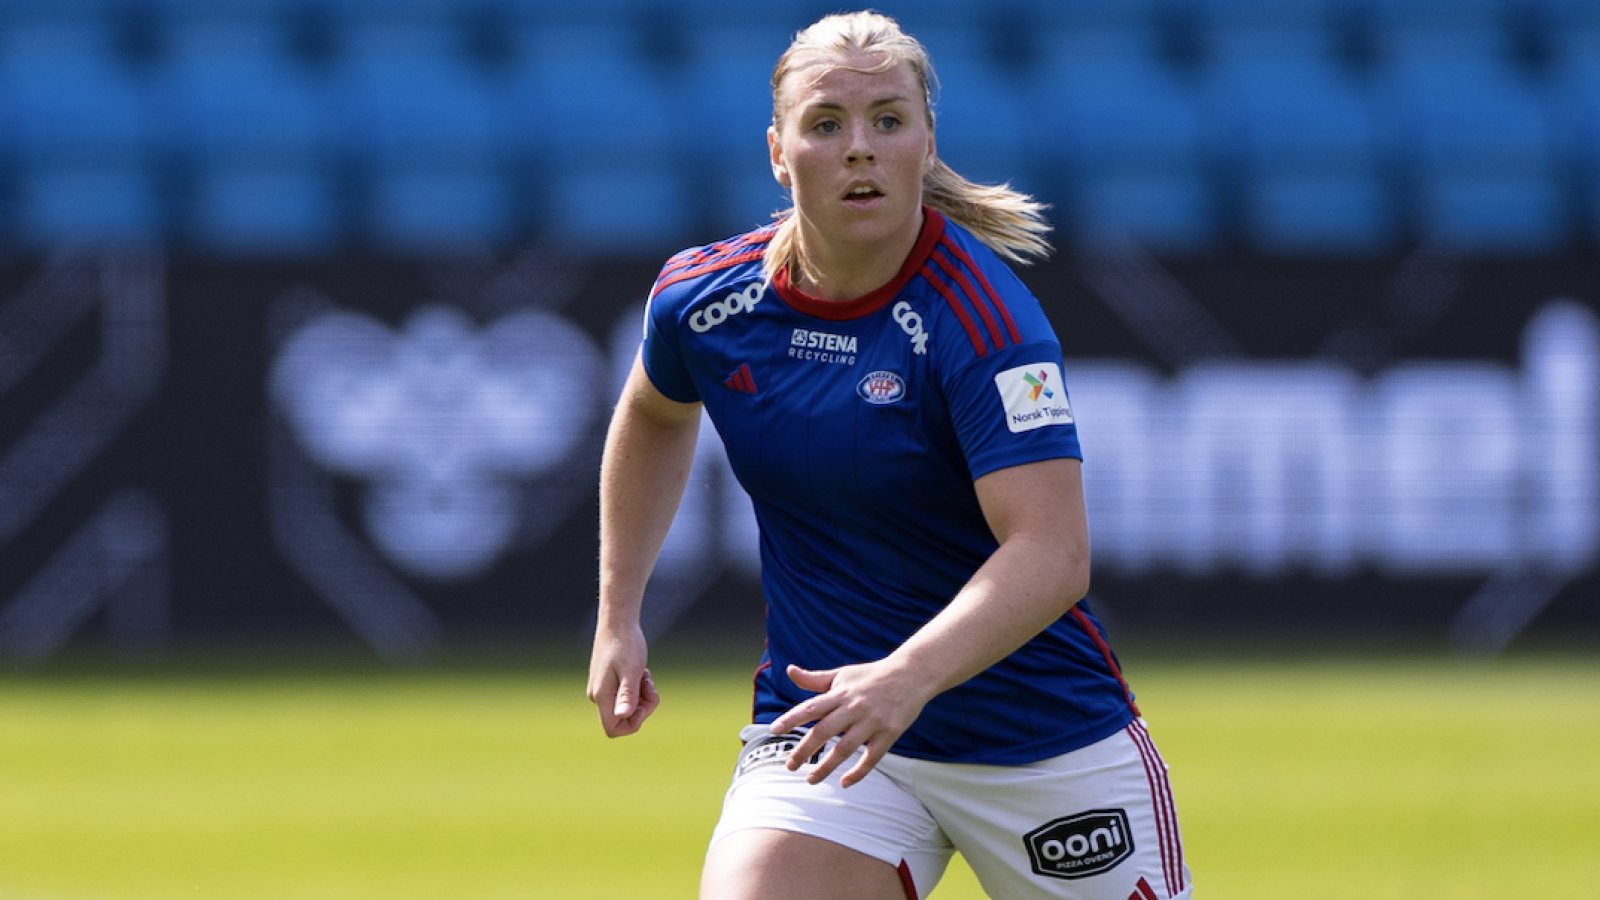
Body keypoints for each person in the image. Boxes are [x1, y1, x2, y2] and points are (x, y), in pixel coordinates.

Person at [587, 10, 1191, 899]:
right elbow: (652, 413)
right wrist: (618, 614)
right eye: (826, 124)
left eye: (887, 120)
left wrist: (903, 680)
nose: (860, 148)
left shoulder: (986, 322)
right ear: (778, 154)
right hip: (835, 730)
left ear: (926, 140)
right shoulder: (704, 301)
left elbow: (1053, 553)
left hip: (1036, 736)